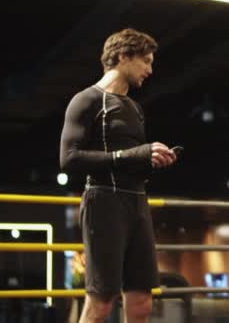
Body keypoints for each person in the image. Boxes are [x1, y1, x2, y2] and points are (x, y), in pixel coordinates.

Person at [59, 28, 177, 323]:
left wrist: (153, 159)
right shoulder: (86, 100)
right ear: (123, 57)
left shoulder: (134, 108)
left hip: (137, 203)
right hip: (104, 203)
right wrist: (132, 155)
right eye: (146, 61)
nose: (150, 70)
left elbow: (130, 161)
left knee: (142, 302)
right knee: (100, 303)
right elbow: (69, 159)